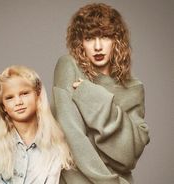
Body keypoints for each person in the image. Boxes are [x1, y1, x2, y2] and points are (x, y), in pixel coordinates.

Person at [52, 3, 150, 184]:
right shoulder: (69, 67)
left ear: (117, 41)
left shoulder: (134, 88)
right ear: (80, 42)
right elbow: (71, 138)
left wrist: (95, 98)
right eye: (89, 38)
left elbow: (128, 156)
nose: (98, 46)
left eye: (105, 37)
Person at [0, 65, 73, 184]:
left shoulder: (54, 142)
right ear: (3, 106)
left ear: (38, 94)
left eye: (24, 93)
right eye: (9, 98)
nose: (18, 102)